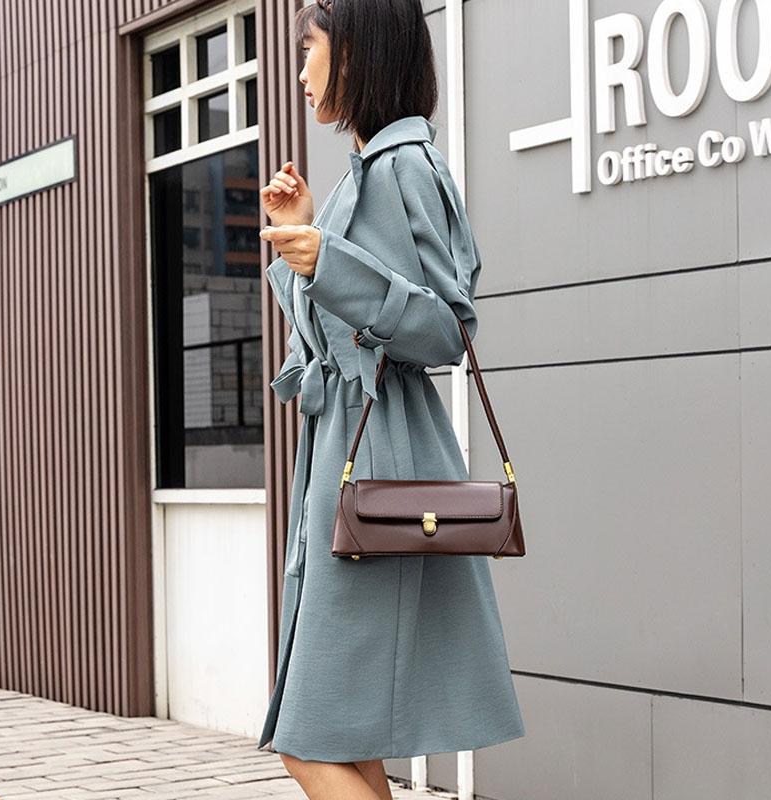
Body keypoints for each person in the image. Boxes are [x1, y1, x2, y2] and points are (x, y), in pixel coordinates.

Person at [257, 1, 525, 798]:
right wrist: (303, 240)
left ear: (357, 53)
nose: (301, 73)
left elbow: (448, 330)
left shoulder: (408, 165)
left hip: (378, 464)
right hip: (343, 455)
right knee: (347, 739)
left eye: (310, 51)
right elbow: (334, 332)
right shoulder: (362, 172)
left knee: (309, 742)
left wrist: (329, 262)